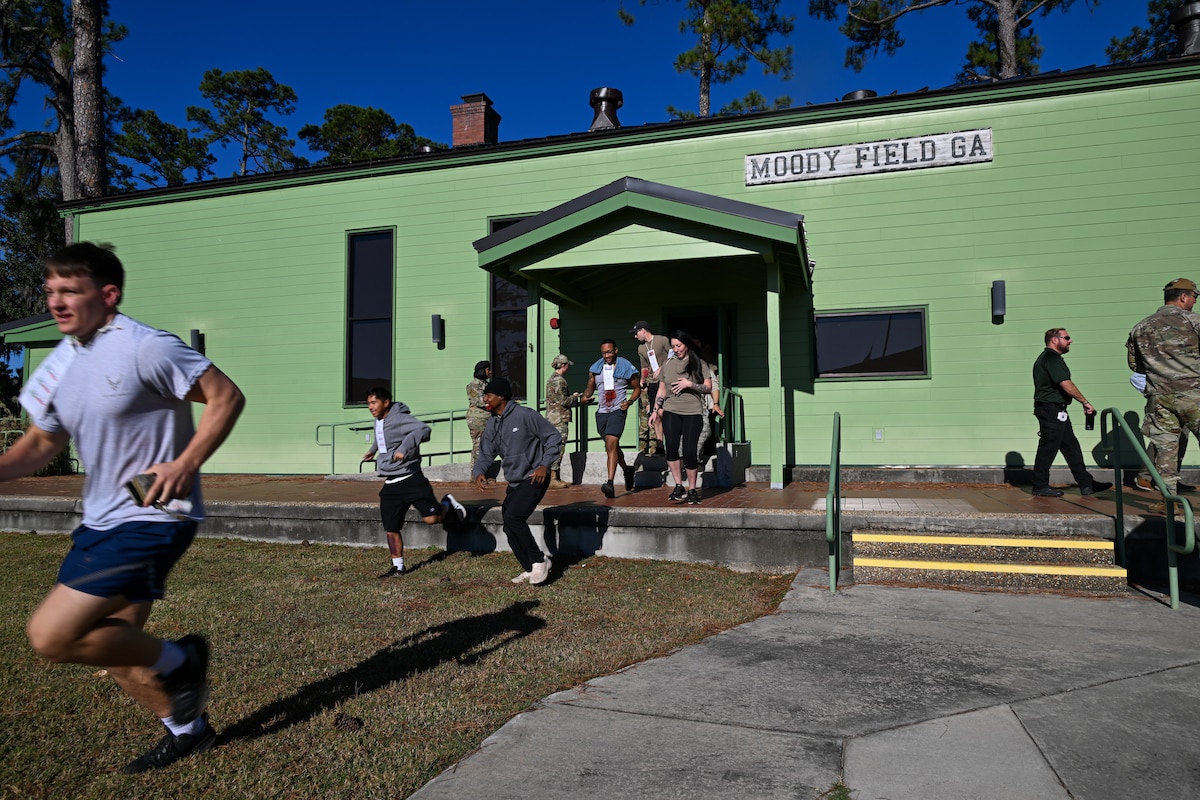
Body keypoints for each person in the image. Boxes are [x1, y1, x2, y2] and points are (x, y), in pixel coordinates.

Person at [0, 242, 245, 773]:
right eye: (51, 291)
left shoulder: (145, 347)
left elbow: (226, 396)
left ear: (108, 295)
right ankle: (189, 731)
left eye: (71, 290)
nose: (56, 302)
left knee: (51, 635)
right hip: (100, 521)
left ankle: (182, 660)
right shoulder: (62, 363)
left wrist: (185, 463)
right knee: (115, 646)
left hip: (152, 516)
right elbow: (41, 443)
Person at [361, 387, 466, 578]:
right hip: (390, 482)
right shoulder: (378, 420)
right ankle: (398, 567)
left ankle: (446, 505)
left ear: (386, 402)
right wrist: (373, 450)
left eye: (374, 402)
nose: (370, 407)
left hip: (411, 478)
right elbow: (381, 436)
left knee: (431, 519)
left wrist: (404, 447)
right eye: (369, 403)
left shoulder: (400, 419)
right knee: (391, 527)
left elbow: (423, 430)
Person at [472, 377, 563, 585]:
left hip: (534, 476)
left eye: (488, 395)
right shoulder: (492, 423)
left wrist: (544, 465)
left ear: (501, 397)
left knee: (514, 518)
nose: (485, 399)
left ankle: (539, 561)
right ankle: (531, 568)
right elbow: (486, 453)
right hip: (514, 481)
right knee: (509, 526)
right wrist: (479, 472)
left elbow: (553, 438)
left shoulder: (525, 415)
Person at [1127, 278, 1200, 505]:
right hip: (1194, 394)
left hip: (1160, 398)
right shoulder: (1193, 320)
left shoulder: (1140, 327)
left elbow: (1135, 365)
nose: (1195, 302)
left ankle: (1169, 504)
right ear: (1183, 297)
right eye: (1195, 297)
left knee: (1165, 453)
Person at [1030, 327, 1112, 498]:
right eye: (1066, 338)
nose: (1070, 341)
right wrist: (1085, 402)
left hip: (1056, 410)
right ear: (1054, 340)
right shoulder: (1051, 358)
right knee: (1048, 448)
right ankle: (1039, 486)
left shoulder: (1050, 358)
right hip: (1050, 409)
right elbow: (1065, 383)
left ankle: (1086, 484)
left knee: (1071, 447)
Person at [649, 331, 712, 506]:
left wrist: (689, 384)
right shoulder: (668, 364)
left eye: (679, 346)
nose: (676, 349)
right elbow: (662, 390)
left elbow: (708, 387)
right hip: (671, 410)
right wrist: (655, 411)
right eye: (673, 346)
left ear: (687, 345)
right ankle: (678, 486)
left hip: (693, 411)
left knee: (690, 451)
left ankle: (692, 489)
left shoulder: (698, 363)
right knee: (671, 448)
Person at [580, 339, 641, 498]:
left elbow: (637, 388)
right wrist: (585, 397)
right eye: (604, 353)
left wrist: (629, 402)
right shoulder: (596, 368)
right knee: (611, 446)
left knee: (611, 442)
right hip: (602, 412)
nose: (607, 355)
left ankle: (609, 483)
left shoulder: (625, 366)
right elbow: (589, 387)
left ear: (616, 350)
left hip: (617, 410)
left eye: (609, 352)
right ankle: (627, 470)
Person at [632, 321, 670, 456]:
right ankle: (660, 445)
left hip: (666, 381)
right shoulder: (641, 348)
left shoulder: (662, 340)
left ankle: (672, 443)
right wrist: (643, 379)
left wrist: (662, 368)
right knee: (656, 414)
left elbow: (673, 356)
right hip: (652, 383)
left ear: (643, 330)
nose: (635, 336)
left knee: (664, 412)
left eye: (636, 333)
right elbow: (644, 367)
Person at [544, 354, 581, 489]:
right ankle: (553, 478)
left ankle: (555, 476)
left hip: (551, 417)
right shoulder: (560, 381)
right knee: (559, 446)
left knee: (553, 445)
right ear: (563, 365)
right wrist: (575, 397)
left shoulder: (551, 379)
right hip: (559, 418)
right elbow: (564, 401)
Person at [466, 360, 491, 466]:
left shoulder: (485, 384)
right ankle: (476, 472)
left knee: (487, 445)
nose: (490, 372)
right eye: (488, 369)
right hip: (477, 420)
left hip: (486, 418)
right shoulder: (475, 384)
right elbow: (481, 401)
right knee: (478, 447)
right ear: (482, 371)